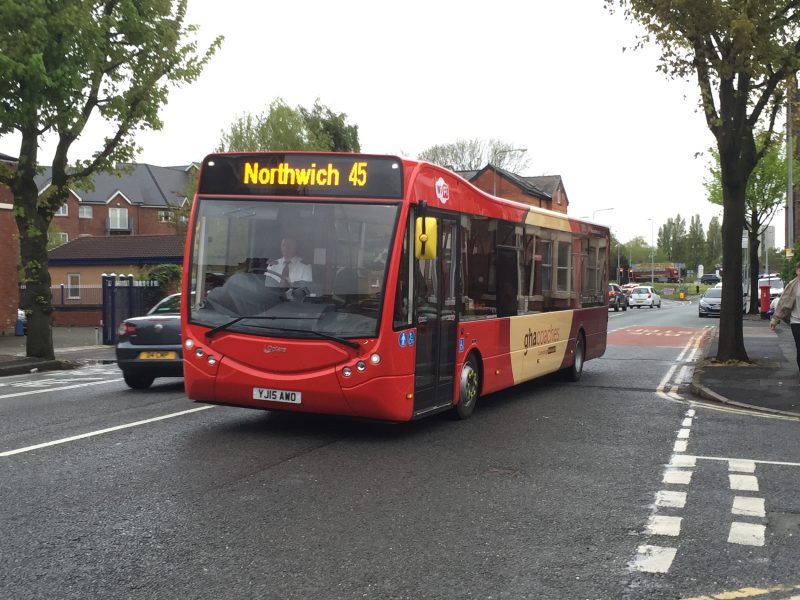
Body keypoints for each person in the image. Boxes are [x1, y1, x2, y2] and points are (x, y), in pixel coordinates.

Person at [769, 260, 800, 374]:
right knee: (799, 346)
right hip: (796, 321)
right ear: (797, 271)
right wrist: (775, 320)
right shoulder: (792, 285)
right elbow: (783, 303)